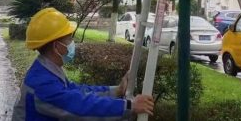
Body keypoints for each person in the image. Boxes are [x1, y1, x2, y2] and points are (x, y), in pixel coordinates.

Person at [12, 7, 154, 120]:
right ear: (57, 47)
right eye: (69, 40)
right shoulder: (42, 84)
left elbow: (77, 92)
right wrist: (129, 106)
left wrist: (115, 91)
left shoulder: (46, 70)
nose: (72, 44)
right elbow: (80, 107)